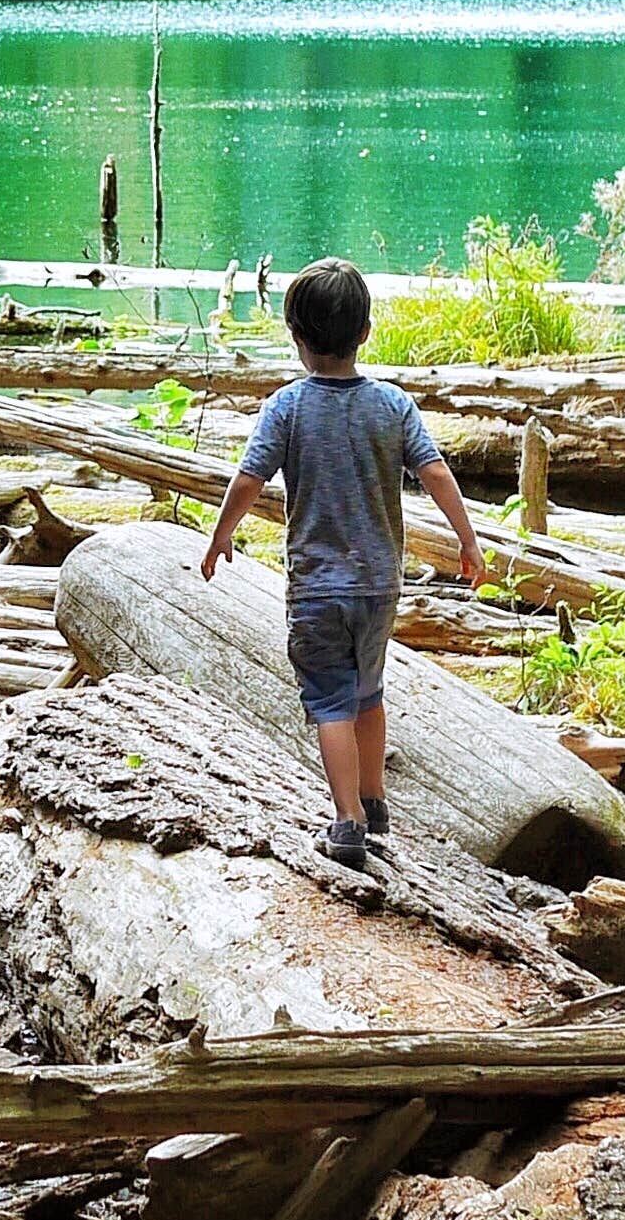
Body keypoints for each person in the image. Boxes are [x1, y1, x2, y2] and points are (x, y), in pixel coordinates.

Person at [194, 257, 480, 871]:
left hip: (319, 588)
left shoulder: (287, 408)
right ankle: (376, 805)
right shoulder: (394, 406)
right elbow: (434, 472)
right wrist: (469, 540)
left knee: (329, 700)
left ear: (297, 338)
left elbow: (250, 478)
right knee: (368, 691)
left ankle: (347, 820)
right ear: (366, 333)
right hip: (381, 586)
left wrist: (221, 535)